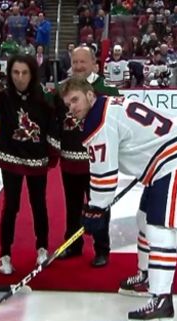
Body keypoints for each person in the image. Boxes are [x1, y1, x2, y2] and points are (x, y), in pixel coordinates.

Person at [60, 77, 177, 321]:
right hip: (167, 157)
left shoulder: (99, 123)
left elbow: (105, 178)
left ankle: (161, 302)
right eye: (67, 103)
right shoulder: (107, 105)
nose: (71, 107)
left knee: (160, 229)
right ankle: (147, 276)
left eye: (75, 99)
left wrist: (95, 209)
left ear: (90, 95)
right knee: (143, 219)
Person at [0, 54, 60, 275]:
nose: (19, 77)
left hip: (37, 158)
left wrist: (52, 153)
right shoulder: (5, 94)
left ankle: (42, 248)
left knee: (39, 204)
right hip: (11, 157)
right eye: (15, 72)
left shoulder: (44, 97)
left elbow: (53, 125)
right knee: (11, 206)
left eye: (24, 73)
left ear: (32, 74)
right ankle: (4, 254)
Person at [56, 46, 120, 267]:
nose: (79, 67)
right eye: (75, 62)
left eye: (83, 62)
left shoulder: (108, 90)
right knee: (72, 206)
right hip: (70, 162)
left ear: (95, 64)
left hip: (99, 164)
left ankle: (102, 248)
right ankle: (73, 245)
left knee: (100, 206)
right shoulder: (62, 89)